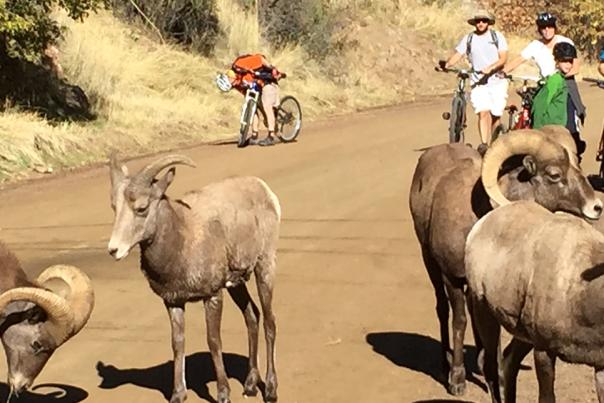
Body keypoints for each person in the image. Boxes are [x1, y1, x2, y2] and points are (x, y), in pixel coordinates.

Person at [440, 9, 508, 153]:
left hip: (496, 82)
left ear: (488, 23)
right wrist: (447, 64)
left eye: (484, 21)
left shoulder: (497, 37)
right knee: (483, 112)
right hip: (478, 82)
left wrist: (491, 68)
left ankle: (495, 145)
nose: (481, 23)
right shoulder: (469, 38)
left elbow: (503, 58)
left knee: (495, 115)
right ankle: (484, 144)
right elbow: (459, 53)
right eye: (478, 21)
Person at [531, 42, 586, 158]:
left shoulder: (562, 80)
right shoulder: (555, 81)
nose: (568, 65)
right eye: (564, 61)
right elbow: (540, 106)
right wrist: (537, 133)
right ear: (557, 61)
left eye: (570, 61)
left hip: (560, 128)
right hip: (550, 130)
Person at [215, 53, 283, 147]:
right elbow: (248, 97)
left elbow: (260, 59)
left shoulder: (240, 64)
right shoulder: (236, 84)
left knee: (267, 105)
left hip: (268, 81)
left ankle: (271, 136)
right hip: (258, 88)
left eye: (232, 83)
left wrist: (272, 68)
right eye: (232, 86)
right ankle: (254, 135)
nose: (233, 85)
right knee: (254, 108)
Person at [504, 12, 579, 78]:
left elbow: (575, 68)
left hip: (566, 81)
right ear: (540, 30)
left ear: (554, 28)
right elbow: (519, 59)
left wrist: (558, 78)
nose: (547, 30)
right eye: (543, 27)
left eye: (550, 26)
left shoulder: (566, 41)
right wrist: (502, 72)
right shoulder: (535, 45)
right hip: (547, 84)